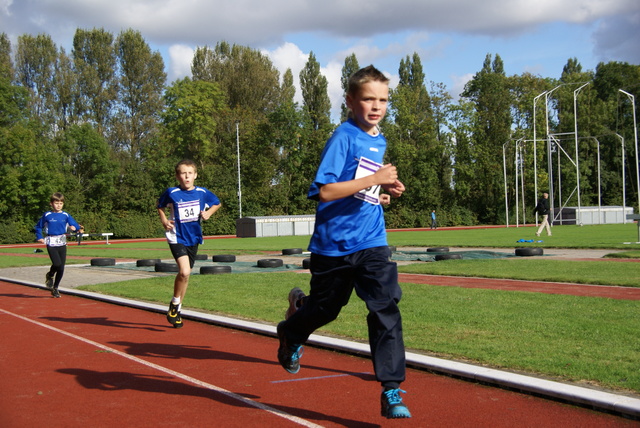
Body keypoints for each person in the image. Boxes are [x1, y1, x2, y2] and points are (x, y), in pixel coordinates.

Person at [276, 65, 411, 419]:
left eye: (382, 99)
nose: (376, 105)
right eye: (368, 98)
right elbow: (325, 191)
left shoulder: (378, 139)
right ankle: (291, 331)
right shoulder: (344, 137)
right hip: (333, 245)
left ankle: (391, 388)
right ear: (351, 101)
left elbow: (362, 187)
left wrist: (383, 192)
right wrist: (376, 178)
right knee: (325, 309)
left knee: (385, 307)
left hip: (372, 241)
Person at [157, 159, 221, 329]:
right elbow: (160, 205)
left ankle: (176, 308)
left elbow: (217, 202)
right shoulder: (172, 192)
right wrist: (164, 219)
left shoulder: (202, 192)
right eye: (183, 173)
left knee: (186, 276)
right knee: (184, 271)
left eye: (190, 173)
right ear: (178, 176)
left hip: (194, 237)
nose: (186, 176)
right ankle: (175, 302)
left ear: (195, 175)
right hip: (176, 236)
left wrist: (208, 213)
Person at [34, 192, 81, 298]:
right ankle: (50, 275)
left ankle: (55, 288)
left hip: (62, 242)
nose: (59, 205)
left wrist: (74, 228)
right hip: (51, 241)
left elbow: (75, 225)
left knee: (61, 267)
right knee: (56, 263)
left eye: (61, 203)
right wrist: (39, 237)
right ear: (51, 203)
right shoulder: (47, 215)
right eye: (56, 203)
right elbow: (38, 227)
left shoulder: (65, 215)